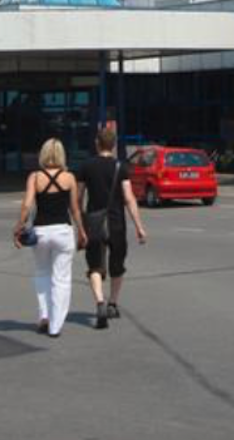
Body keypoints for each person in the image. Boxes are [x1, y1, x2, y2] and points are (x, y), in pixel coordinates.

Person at [13, 138, 87, 338]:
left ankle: (44, 316)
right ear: (62, 155)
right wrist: (81, 230)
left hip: (41, 232)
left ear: (43, 154)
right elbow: (75, 209)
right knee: (61, 279)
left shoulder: (35, 177)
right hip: (63, 231)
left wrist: (18, 227)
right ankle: (55, 326)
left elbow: (27, 205)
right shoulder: (69, 178)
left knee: (42, 274)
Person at [77, 126, 147, 330]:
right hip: (117, 223)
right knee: (117, 265)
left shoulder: (86, 166)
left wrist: (80, 222)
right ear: (114, 145)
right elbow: (129, 198)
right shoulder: (121, 166)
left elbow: (79, 197)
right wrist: (139, 227)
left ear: (97, 143)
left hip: (94, 222)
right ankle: (113, 304)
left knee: (95, 265)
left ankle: (99, 301)